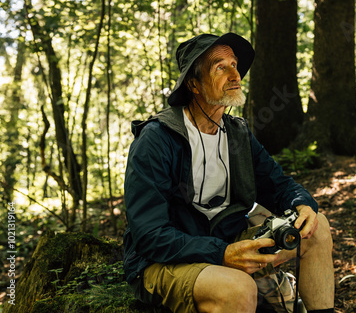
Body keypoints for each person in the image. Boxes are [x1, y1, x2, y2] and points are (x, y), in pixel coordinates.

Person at [123, 32, 335, 313]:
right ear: (193, 84)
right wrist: (220, 254)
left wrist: (303, 203)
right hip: (163, 260)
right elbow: (149, 235)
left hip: (226, 242)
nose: (235, 74)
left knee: (317, 227)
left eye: (235, 64)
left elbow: (278, 184)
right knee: (238, 288)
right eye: (220, 67)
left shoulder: (236, 133)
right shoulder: (157, 139)